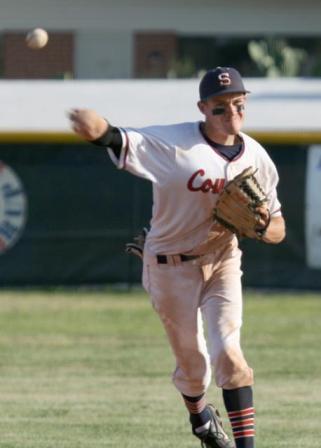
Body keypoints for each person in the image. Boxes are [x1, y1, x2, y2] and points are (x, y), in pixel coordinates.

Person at [69, 67, 286, 448]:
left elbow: (279, 227)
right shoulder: (174, 144)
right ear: (203, 108)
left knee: (231, 356)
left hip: (223, 260)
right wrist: (97, 129)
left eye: (238, 104)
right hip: (170, 267)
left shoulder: (257, 157)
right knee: (194, 368)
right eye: (219, 107)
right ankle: (201, 418)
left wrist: (261, 225)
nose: (230, 113)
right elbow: (118, 139)